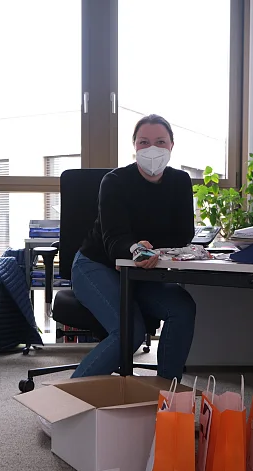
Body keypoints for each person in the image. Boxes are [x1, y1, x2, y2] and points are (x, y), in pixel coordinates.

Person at [71, 114, 196, 381]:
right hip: (96, 266)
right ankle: (67, 399)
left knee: (182, 308)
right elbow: (114, 242)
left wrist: (148, 249)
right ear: (135, 147)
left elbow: (183, 235)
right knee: (130, 331)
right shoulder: (115, 182)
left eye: (160, 142)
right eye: (144, 142)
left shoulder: (180, 181)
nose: (152, 149)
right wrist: (135, 248)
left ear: (171, 146)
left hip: (143, 272)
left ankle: (165, 396)